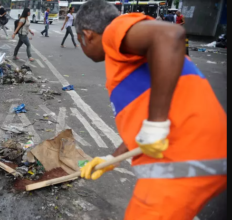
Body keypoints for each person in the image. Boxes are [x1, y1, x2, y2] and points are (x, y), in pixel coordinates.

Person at [75, 0, 226, 219]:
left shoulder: (114, 31)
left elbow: (169, 34)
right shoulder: (129, 60)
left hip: (179, 160)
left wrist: (156, 124)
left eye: (80, 40)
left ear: (87, 34)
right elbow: (143, 127)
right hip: (198, 155)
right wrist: (111, 159)